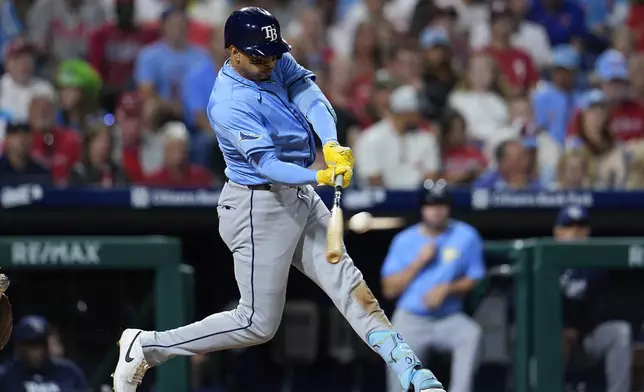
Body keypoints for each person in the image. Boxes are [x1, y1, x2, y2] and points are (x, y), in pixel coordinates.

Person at [112, 7, 444, 392]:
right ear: (232, 52)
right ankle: (149, 346)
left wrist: (331, 143)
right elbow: (268, 165)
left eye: (272, 53)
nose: (269, 61)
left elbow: (309, 93)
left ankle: (411, 372)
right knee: (256, 324)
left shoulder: (270, 57)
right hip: (257, 206)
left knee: (350, 285)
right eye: (258, 56)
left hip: (297, 194)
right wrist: (319, 174)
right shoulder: (228, 103)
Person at [381, 184, 484, 392]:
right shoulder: (404, 240)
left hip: (447, 317)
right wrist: (419, 261)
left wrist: (448, 288)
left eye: (442, 204)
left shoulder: (466, 235)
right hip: (411, 318)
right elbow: (389, 290)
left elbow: (474, 277)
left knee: (470, 334)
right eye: (431, 204)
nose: (437, 210)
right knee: (397, 368)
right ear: (422, 208)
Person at [554, 206, 632, 392]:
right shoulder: (543, 260)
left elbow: (598, 309)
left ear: (588, 232)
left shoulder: (595, 265)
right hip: (547, 341)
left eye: (581, 227)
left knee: (621, 331)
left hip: (583, 339)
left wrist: (576, 326)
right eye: (569, 227)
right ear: (557, 232)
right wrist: (562, 326)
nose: (575, 233)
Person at [355, 84, 440, 189]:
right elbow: (372, 178)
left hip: (418, 199)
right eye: (416, 114)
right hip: (382, 201)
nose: (420, 118)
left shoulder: (426, 139)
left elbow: (431, 176)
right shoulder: (371, 138)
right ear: (405, 114)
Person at [0, 315, 89, 391]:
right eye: (33, 344)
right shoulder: (5, 376)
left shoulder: (68, 371)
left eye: (43, 343)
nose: (40, 350)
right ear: (19, 346)